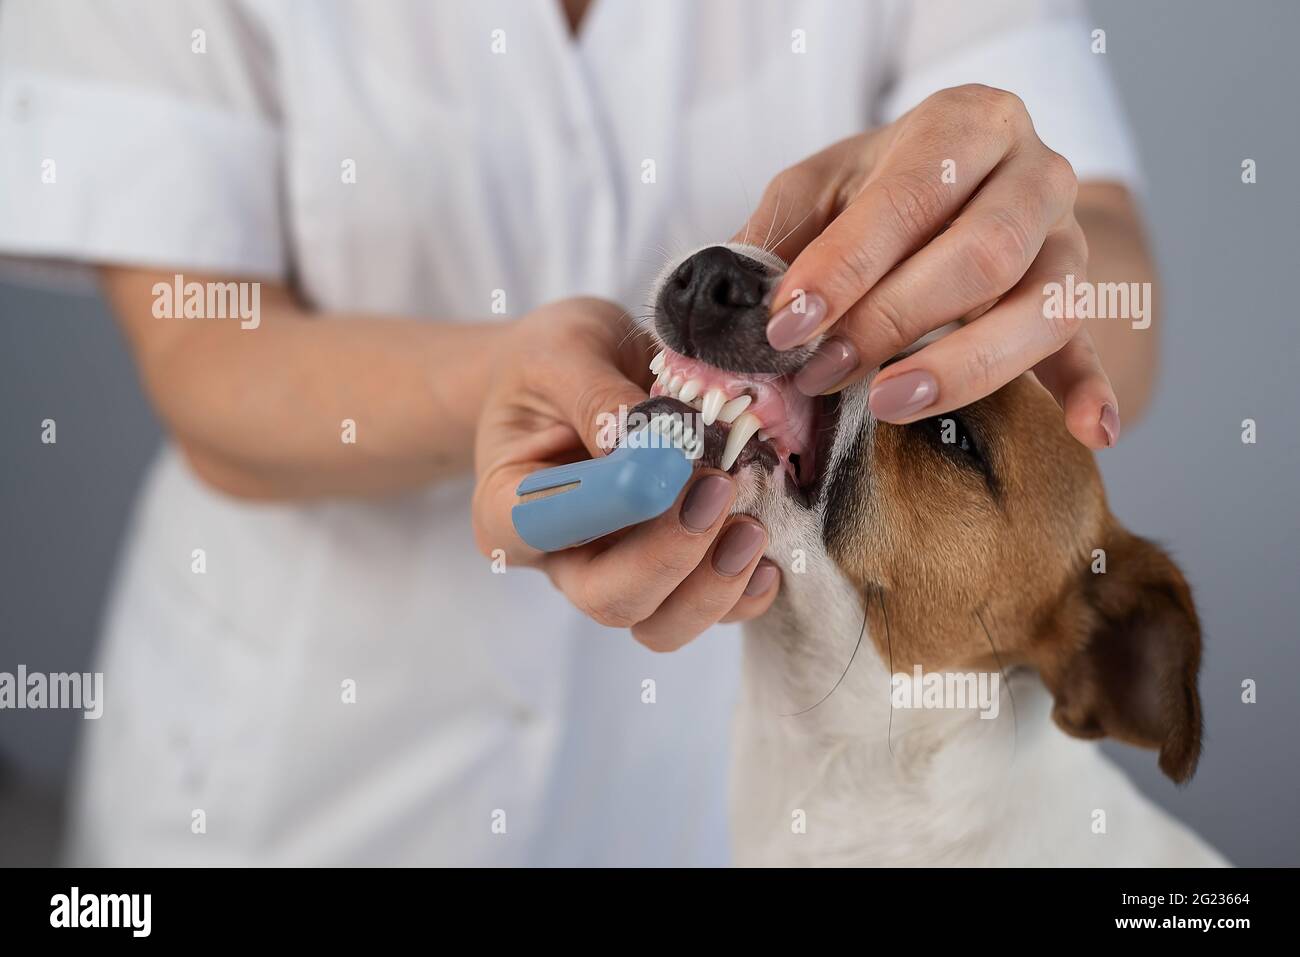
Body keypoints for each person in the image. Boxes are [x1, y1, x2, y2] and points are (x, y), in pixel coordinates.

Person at [0, 0, 1155, 865]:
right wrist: (495, 386)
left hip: (704, 800)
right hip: (297, 780)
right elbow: (207, 353)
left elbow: (1118, 295)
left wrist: (1025, 244)